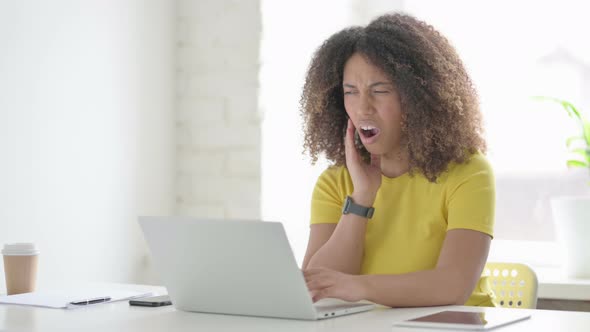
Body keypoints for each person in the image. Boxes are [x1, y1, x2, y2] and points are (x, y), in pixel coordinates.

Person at [299, 13, 495, 307]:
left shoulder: (469, 173)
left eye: (380, 91)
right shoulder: (336, 182)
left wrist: (358, 287)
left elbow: (453, 285)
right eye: (350, 92)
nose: (363, 107)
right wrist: (362, 197)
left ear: (419, 97)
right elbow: (318, 285)